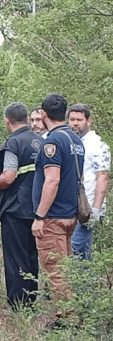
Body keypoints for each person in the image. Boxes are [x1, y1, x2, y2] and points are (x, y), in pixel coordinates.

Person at [32, 94, 84, 312]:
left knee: (55, 269)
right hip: (70, 214)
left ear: (43, 114)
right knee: (66, 268)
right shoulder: (76, 139)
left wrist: (40, 216)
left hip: (53, 216)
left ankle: (66, 319)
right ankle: (71, 312)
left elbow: (52, 180)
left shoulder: (52, 141)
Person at [0, 103, 42, 309]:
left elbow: (8, 177)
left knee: (15, 257)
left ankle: (18, 303)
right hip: (37, 208)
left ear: (7, 121)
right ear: (28, 119)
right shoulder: (41, 140)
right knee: (31, 254)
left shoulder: (13, 143)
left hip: (15, 208)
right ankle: (31, 298)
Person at [67, 103, 110, 260]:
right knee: (74, 252)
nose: (75, 123)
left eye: (79, 119)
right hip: (70, 207)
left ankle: (85, 284)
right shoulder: (71, 142)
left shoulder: (97, 145)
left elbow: (103, 176)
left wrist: (96, 208)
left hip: (87, 207)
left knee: (78, 251)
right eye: (72, 119)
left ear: (88, 121)